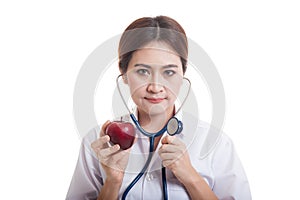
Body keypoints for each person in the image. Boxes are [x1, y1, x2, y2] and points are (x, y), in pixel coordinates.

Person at [66, 16, 252, 200]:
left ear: (182, 74)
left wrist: (191, 177)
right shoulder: (99, 142)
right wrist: (112, 182)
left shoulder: (215, 143)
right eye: (142, 71)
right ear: (123, 74)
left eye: (169, 72)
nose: (155, 87)